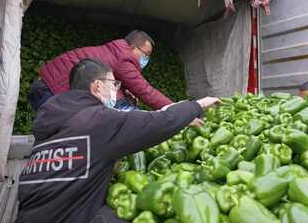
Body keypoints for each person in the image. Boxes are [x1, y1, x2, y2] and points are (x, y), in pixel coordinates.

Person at [17, 59, 218, 223]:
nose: (116, 90)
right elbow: (158, 123)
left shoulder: (54, 121)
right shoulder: (97, 120)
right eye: (113, 84)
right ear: (97, 86)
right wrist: (198, 105)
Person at [27, 30, 173, 112]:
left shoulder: (115, 51)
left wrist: (124, 94)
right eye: (146, 54)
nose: (146, 59)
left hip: (43, 86)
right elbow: (145, 91)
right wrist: (175, 109)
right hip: (49, 91)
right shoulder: (124, 57)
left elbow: (109, 83)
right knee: (61, 140)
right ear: (133, 47)